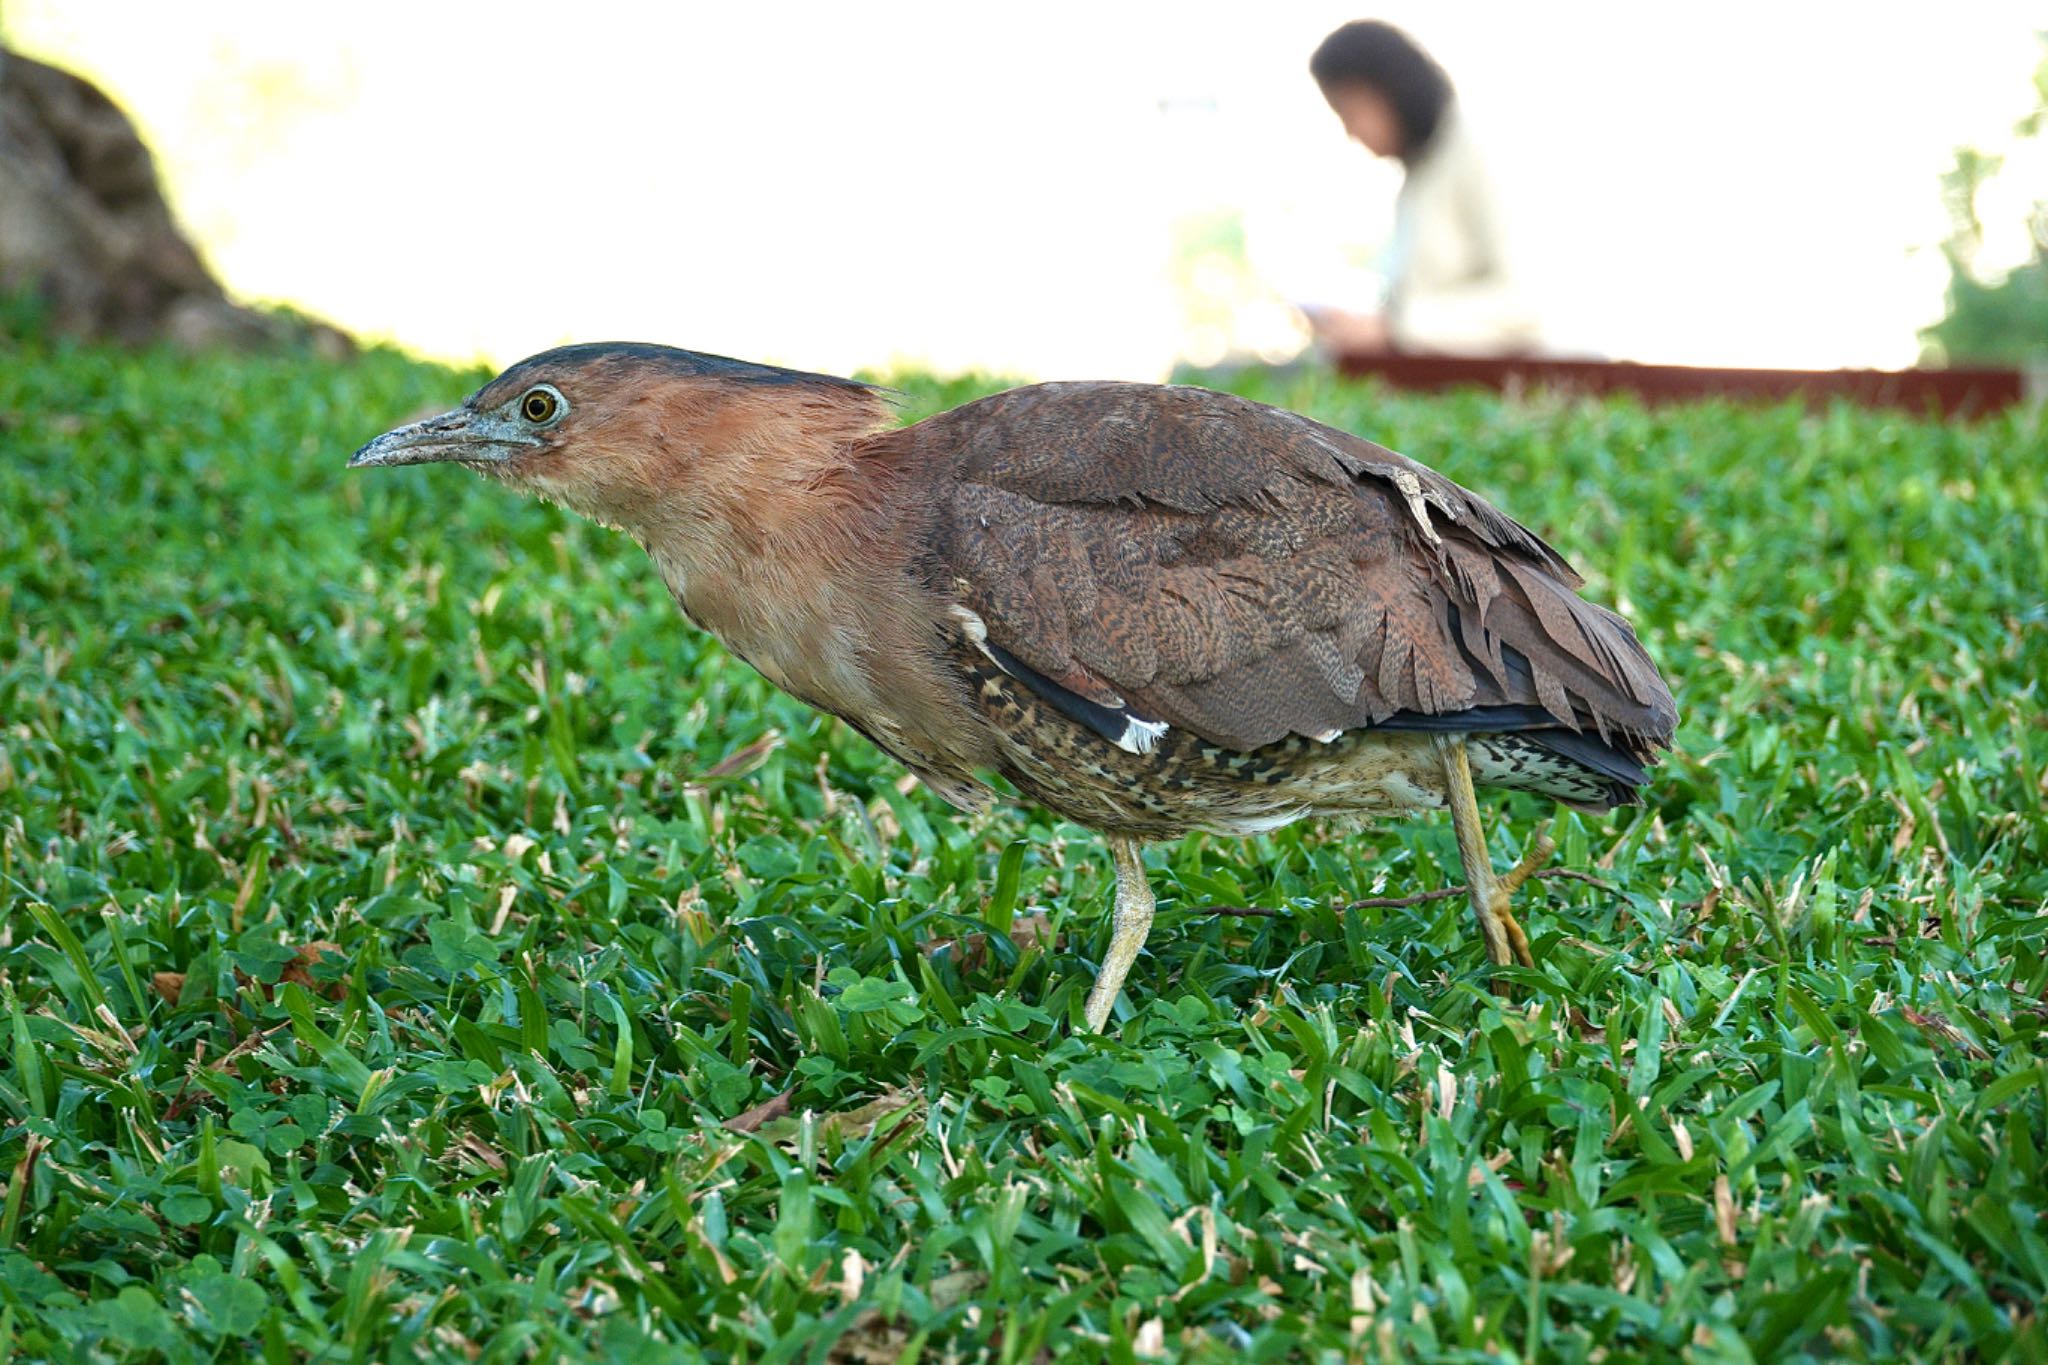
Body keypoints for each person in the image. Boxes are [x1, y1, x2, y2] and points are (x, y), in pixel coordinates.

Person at [1305, 20, 1539, 357]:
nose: (1351, 131)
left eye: (1349, 111)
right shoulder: (1419, 174)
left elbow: (1525, 304)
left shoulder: (1481, 148)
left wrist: (1394, 329)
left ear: (1388, 89)